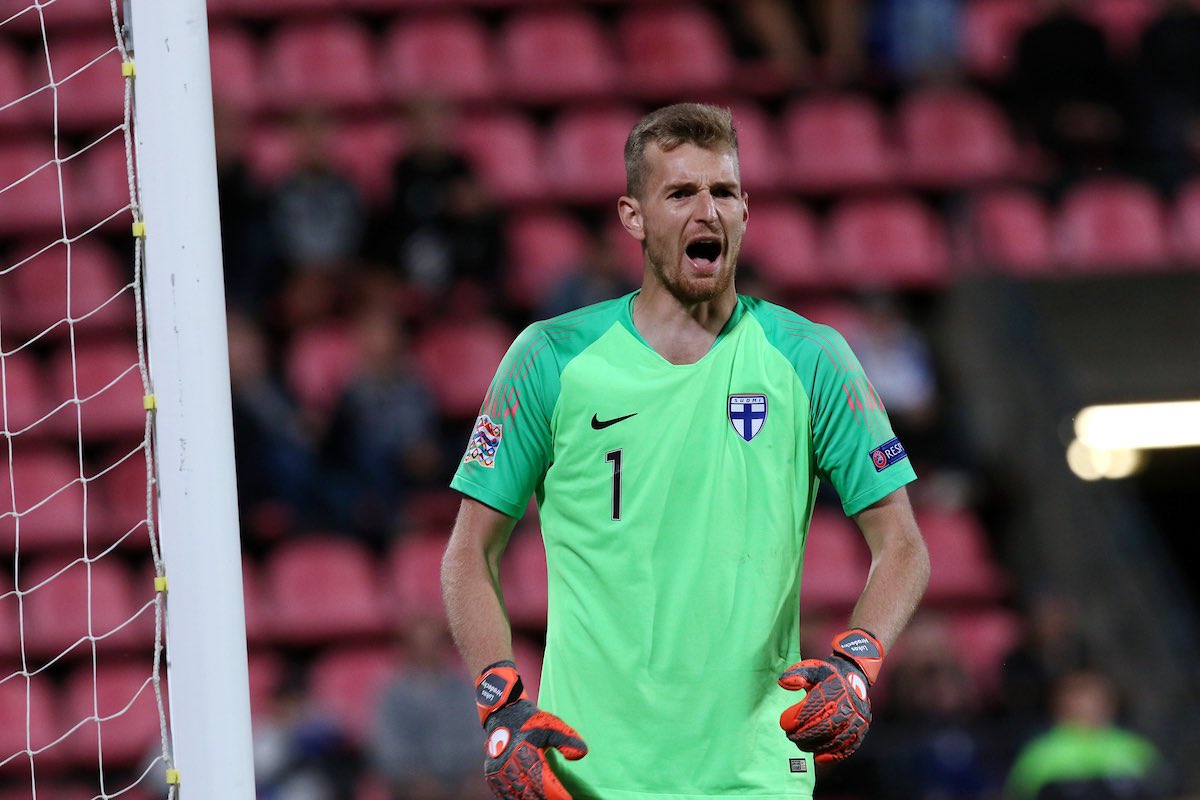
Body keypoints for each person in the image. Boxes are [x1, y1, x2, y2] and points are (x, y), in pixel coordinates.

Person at [440, 103, 931, 800]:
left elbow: (903, 544)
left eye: (723, 192)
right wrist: (499, 704)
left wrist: (858, 664)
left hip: (755, 775)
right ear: (633, 217)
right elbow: (468, 553)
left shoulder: (812, 358)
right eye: (680, 193)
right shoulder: (551, 358)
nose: (707, 211)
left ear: (745, 210)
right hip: (588, 775)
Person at [1004, 669, 1168, 800]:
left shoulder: (1136, 748)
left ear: (1110, 703)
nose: (1087, 707)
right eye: (1078, 700)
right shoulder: (1040, 754)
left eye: (1094, 699)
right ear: (1060, 705)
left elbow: (1165, 790)